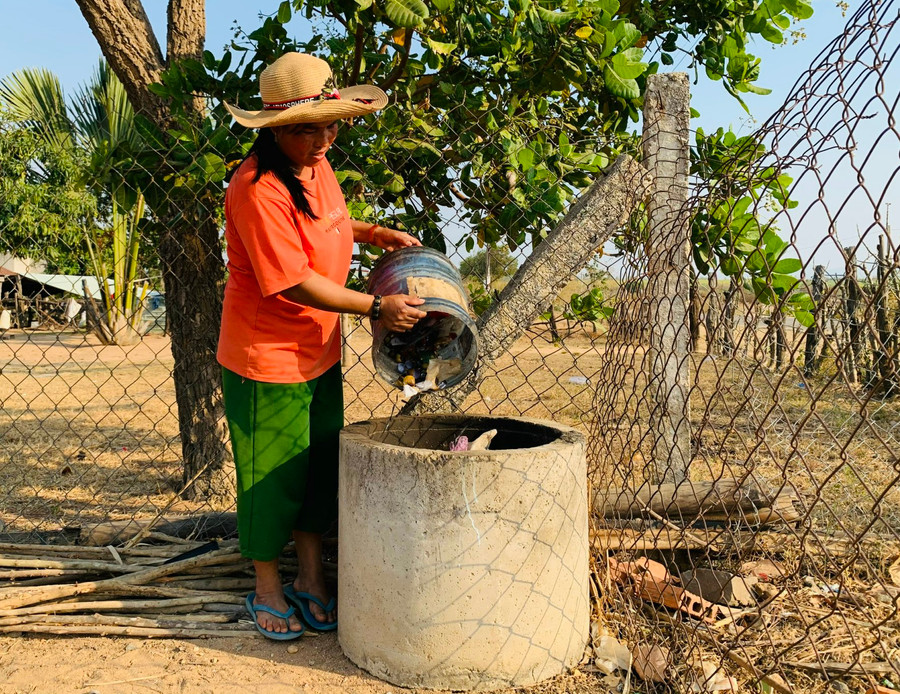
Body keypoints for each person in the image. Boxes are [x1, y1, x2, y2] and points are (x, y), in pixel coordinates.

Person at [218, 52, 426, 640]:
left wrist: (371, 231)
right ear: (278, 128)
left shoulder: (316, 165)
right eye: (311, 126)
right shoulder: (256, 188)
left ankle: (311, 578)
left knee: (317, 468)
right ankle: (267, 585)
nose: (326, 137)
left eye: (332, 123)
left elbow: (328, 221)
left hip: (319, 350)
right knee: (271, 476)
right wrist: (375, 306)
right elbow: (292, 279)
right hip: (270, 357)